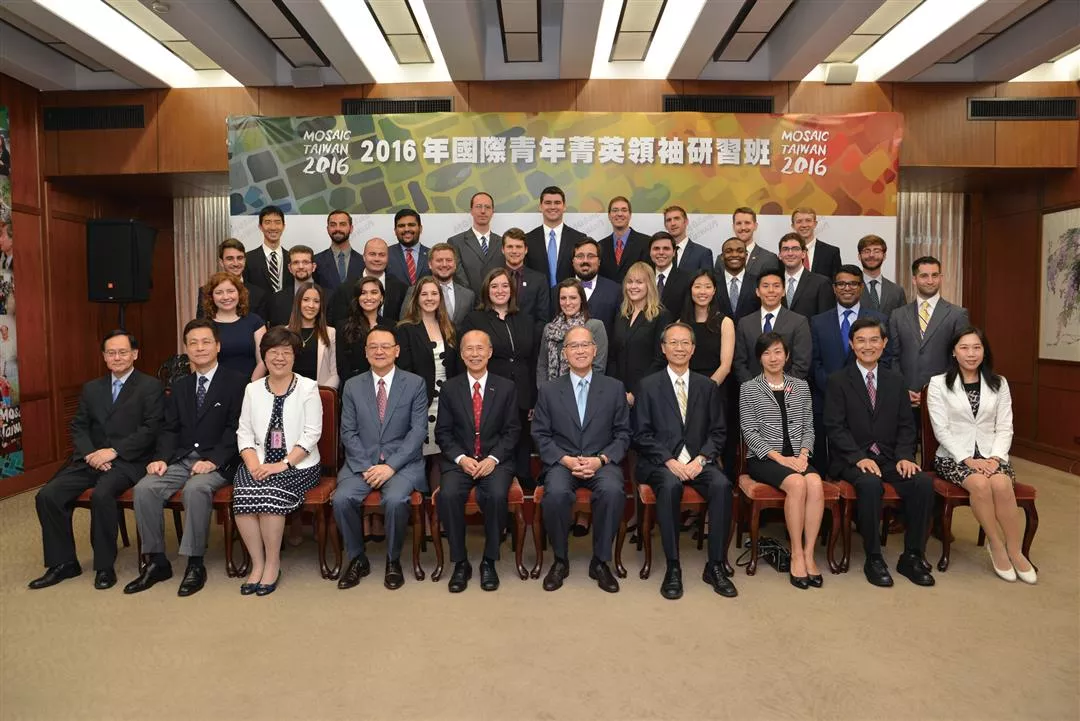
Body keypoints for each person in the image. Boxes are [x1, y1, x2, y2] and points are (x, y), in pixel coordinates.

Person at [29, 331, 164, 591]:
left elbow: (151, 429)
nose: (117, 357)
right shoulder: (92, 388)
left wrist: (114, 451)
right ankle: (63, 563)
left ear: (135, 354)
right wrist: (91, 454)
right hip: (90, 460)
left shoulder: (150, 387)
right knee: (48, 496)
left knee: (102, 495)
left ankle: (104, 566)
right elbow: (79, 426)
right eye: (111, 353)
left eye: (123, 352)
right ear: (104, 356)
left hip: (128, 461)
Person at [123, 319, 246, 597]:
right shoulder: (180, 386)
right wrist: (162, 458)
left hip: (220, 461)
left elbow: (237, 429)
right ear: (186, 349)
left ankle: (194, 563)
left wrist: (213, 460)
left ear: (218, 346)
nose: (200, 348)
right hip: (181, 459)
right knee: (145, 488)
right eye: (193, 343)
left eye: (206, 342)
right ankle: (156, 562)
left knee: (196, 488)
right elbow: (170, 429)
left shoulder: (237, 382)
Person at [824, 319, 935, 588]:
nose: (868, 346)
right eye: (860, 340)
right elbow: (834, 427)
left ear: (884, 344)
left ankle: (912, 555)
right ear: (851, 345)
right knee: (870, 484)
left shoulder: (895, 380)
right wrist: (858, 457)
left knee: (922, 482)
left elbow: (906, 426)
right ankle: (874, 557)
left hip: (889, 457)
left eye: (874, 340)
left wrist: (905, 456)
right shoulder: (838, 380)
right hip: (852, 459)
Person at [634, 322, 737, 599]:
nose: (679, 348)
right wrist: (669, 461)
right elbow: (641, 434)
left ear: (693, 349)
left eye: (685, 343)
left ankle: (715, 565)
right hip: (661, 463)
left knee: (722, 486)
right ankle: (673, 566)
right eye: (673, 343)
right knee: (670, 486)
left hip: (698, 461)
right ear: (663, 348)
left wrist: (701, 459)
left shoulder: (707, 386)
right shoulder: (648, 386)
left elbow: (718, 432)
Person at [927, 327, 1035, 584]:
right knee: (979, 484)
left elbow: (1005, 426)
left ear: (984, 351)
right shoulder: (938, 384)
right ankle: (996, 544)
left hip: (992, 455)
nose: (971, 353)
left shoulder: (999, 383)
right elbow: (941, 429)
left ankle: (1015, 550)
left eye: (977, 347)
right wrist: (968, 459)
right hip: (954, 457)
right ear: (954, 352)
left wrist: (995, 458)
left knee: (1001, 483)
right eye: (964, 348)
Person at [532, 326, 632, 593]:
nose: (580, 351)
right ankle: (560, 560)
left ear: (594, 350)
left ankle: (600, 562)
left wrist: (602, 459)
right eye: (573, 346)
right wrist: (564, 459)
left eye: (585, 345)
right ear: (564, 353)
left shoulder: (614, 388)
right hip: (563, 461)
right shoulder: (549, 390)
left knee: (613, 491)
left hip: (601, 461)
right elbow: (540, 434)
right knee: (555, 494)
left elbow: (623, 433)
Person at [333, 328, 428, 591]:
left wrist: (390, 466)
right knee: (341, 499)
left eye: (386, 346)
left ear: (397, 351)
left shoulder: (415, 383)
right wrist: (366, 467)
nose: (379, 351)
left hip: (401, 464)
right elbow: (348, 432)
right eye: (373, 346)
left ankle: (393, 560)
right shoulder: (352, 386)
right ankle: (357, 558)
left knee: (396, 501)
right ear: (365, 352)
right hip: (361, 463)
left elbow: (418, 431)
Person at [232, 327, 323, 596]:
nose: (279, 358)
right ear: (264, 356)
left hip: (298, 465)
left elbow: (311, 434)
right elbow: (244, 433)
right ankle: (257, 564)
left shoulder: (308, 387)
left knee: (269, 493)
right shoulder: (252, 389)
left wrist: (282, 464)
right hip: (258, 461)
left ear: (295, 356)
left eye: (286, 352)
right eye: (273, 352)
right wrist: (253, 465)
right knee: (244, 492)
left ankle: (273, 564)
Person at [433, 330, 521, 593]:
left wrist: (493, 458)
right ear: (461, 354)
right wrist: (461, 459)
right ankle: (460, 562)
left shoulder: (506, 387)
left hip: (495, 461)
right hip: (460, 461)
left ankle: (489, 560)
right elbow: (443, 433)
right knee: (448, 495)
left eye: (480, 348)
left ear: (490, 352)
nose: (475, 354)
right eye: (469, 349)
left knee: (496, 494)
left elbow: (512, 431)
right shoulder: (450, 388)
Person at [739, 332, 825, 589]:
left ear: (787, 356)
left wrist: (803, 455)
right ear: (759, 358)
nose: (773, 358)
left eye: (778, 352)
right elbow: (749, 432)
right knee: (797, 484)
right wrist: (781, 459)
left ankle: (809, 554)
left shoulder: (800, 386)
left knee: (815, 483)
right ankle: (796, 553)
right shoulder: (749, 388)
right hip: (765, 458)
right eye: (767, 353)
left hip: (797, 457)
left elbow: (809, 427)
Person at [459, 268, 538, 488]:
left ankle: (522, 478)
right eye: (494, 286)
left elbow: (532, 359)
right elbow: (465, 356)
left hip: (522, 389)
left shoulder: (525, 319)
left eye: (504, 286)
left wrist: (533, 397)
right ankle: (493, 476)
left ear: (512, 290)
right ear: (487, 290)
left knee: (521, 436)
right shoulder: (475, 319)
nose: (500, 290)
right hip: (490, 390)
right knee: (494, 436)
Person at [809, 265, 889, 468]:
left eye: (853, 283)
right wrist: (833, 389)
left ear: (861, 287)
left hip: (868, 401)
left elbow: (886, 360)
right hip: (826, 398)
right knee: (826, 463)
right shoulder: (818, 322)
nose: (847, 288)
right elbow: (814, 362)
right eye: (841, 284)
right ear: (834, 288)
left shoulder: (878, 319)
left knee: (862, 461)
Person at [888, 255, 970, 411]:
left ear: (941, 278)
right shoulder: (897, 315)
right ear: (914, 279)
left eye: (935, 275)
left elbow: (961, 358)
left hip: (944, 399)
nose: (930, 281)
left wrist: (942, 390)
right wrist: (902, 389)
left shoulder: (957, 314)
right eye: (924, 276)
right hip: (905, 399)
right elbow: (893, 357)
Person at [396, 276, 459, 460]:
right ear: (416, 298)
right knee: (421, 455)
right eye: (424, 294)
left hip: (447, 403)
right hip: (420, 402)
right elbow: (404, 371)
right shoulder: (405, 329)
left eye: (434, 293)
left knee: (444, 455)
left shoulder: (450, 328)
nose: (429, 298)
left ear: (440, 297)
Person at [609, 261, 671, 407]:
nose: (633, 286)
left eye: (639, 282)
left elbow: (660, 359)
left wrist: (636, 393)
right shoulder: (621, 315)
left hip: (648, 394)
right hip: (619, 394)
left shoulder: (661, 316)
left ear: (649, 285)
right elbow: (613, 355)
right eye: (629, 282)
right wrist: (617, 389)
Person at [733, 270, 811, 383]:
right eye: (765, 286)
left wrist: (780, 387)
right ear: (757, 292)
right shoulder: (745, 323)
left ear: (783, 291)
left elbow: (801, 364)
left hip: (788, 390)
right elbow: (739, 363)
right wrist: (754, 388)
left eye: (776, 286)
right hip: (752, 389)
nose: (771, 290)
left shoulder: (799, 322)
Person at [538, 279, 608, 383]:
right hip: (552, 389)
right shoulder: (549, 329)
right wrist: (544, 389)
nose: (567, 303)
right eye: (563, 298)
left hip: (585, 388)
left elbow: (598, 367)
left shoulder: (595, 326)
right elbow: (542, 365)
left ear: (581, 299)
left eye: (573, 298)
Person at [201, 271, 267, 381]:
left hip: (250, 385)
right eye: (219, 292)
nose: (226, 297)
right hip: (215, 386)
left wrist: (250, 386)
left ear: (239, 293)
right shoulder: (204, 326)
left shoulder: (255, 322)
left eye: (230, 291)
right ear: (211, 297)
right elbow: (199, 362)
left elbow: (263, 361)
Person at [327, 237, 408, 326]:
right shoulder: (345, 288)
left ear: (388, 258)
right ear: (364, 257)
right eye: (372, 254)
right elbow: (338, 322)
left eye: (382, 255)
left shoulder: (401, 288)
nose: (377, 259)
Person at [680, 269, 735, 387]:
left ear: (714, 290)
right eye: (697, 287)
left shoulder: (725, 323)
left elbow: (725, 366)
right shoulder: (680, 323)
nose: (702, 292)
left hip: (715, 386)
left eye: (708, 287)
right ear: (690, 289)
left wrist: (706, 390)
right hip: (684, 387)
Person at [525, 185, 586, 287]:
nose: (553, 207)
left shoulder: (579, 239)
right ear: (540, 207)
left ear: (564, 206)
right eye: (548, 203)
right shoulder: (528, 239)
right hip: (538, 296)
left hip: (569, 295)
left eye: (557, 203)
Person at [401, 243, 476, 325]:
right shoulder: (414, 291)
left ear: (455, 265)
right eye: (439, 260)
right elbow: (405, 322)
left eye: (449, 260)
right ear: (430, 264)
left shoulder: (468, 295)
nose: (444, 264)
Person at [196, 238, 268, 322]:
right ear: (221, 262)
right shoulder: (206, 291)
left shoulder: (259, 294)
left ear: (245, 260)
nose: (236, 263)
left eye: (239, 258)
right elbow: (201, 325)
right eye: (230, 259)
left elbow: (260, 327)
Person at [287, 281, 339, 389]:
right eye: (306, 300)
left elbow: (335, 373)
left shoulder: (331, 333)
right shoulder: (284, 332)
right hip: (289, 392)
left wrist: (321, 393)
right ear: (298, 302)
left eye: (316, 301)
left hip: (321, 392)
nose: (311, 305)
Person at [449, 192, 504, 292]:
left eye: (487, 207)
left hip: (497, 298)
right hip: (468, 299)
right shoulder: (456, 242)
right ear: (471, 211)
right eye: (478, 206)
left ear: (493, 212)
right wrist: (470, 296)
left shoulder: (502, 242)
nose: (483, 211)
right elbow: (458, 275)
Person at [567, 236, 620, 336]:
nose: (585, 261)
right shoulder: (557, 291)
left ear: (599, 261)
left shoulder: (615, 291)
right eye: (580, 256)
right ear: (573, 261)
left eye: (591, 256)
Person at [335, 276, 384, 383]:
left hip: (385, 385)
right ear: (357, 298)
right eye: (363, 293)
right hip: (354, 385)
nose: (368, 297)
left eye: (374, 292)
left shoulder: (392, 326)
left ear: (381, 297)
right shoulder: (344, 326)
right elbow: (342, 366)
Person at [777, 232, 833, 319]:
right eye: (785, 249)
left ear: (803, 254)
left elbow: (825, 319)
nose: (790, 253)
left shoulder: (821, 283)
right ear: (780, 255)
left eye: (795, 249)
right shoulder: (774, 282)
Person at [502, 227, 551, 325]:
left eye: (518, 247)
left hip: (530, 333)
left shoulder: (539, 280)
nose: (514, 251)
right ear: (503, 250)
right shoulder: (492, 278)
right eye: (510, 247)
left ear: (526, 250)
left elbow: (543, 317)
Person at [598, 195, 650, 283]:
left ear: (630, 215)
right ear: (609, 216)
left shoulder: (646, 242)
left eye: (624, 210)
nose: (619, 214)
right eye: (615, 210)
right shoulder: (600, 246)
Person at [313, 209, 366, 294]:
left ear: (351, 228)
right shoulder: (316, 261)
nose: (337, 228)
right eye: (333, 225)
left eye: (342, 224)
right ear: (328, 229)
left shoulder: (363, 262)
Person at [266, 245, 319, 327]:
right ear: (290, 268)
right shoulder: (277, 299)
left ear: (313, 267)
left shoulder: (328, 296)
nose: (301, 267)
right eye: (296, 263)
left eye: (305, 262)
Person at [243, 205, 289, 295]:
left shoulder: (292, 258)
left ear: (283, 226)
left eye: (277, 222)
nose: (273, 227)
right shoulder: (248, 259)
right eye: (267, 222)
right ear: (260, 227)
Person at [857, 234, 907, 317]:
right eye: (866, 251)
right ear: (859, 256)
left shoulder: (897, 291)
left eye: (876, 251)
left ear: (884, 256)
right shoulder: (850, 288)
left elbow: (902, 320)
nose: (871, 255)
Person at [714, 236, 760, 321]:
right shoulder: (712, 282)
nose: (734, 255)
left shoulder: (758, 282)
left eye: (740, 251)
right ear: (722, 257)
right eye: (729, 251)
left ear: (746, 256)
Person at [791, 207, 841, 280]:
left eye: (808, 220)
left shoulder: (831, 253)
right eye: (799, 221)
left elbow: (837, 282)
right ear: (793, 226)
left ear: (815, 224)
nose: (804, 225)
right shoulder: (786, 253)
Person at [649, 231, 690, 315]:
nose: (661, 252)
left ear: (674, 252)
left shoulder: (687, 279)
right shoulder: (644, 277)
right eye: (656, 248)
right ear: (650, 252)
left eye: (666, 248)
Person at [386, 208, 430, 286]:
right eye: (401, 226)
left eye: (411, 225)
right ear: (395, 231)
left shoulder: (432, 254)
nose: (406, 229)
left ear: (420, 228)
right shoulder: (386, 254)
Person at [663, 205, 712, 273]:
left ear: (686, 222)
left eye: (677, 218)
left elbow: (707, 279)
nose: (673, 223)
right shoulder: (658, 252)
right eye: (669, 220)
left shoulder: (703, 253)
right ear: (665, 225)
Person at [734, 207, 780, 276]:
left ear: (755, 226)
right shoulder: (721, 259)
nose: (743, 227)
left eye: (747, 223)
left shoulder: (769, 258)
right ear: (733, 227)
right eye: (738, 223)